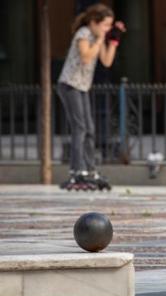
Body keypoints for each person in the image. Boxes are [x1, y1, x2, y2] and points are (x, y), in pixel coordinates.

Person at [58, 4, 125, 191]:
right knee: (80, 127)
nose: (106, 29)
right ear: (94, 23)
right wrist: (100, 39)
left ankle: (90, 170)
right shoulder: (84, 33)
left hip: (82, 87)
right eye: (105, 25)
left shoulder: (96, 36)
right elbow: (86, 56)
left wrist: (113, 41)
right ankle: (76, 170)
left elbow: (106, 61)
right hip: (69, 85)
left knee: (90, 128)